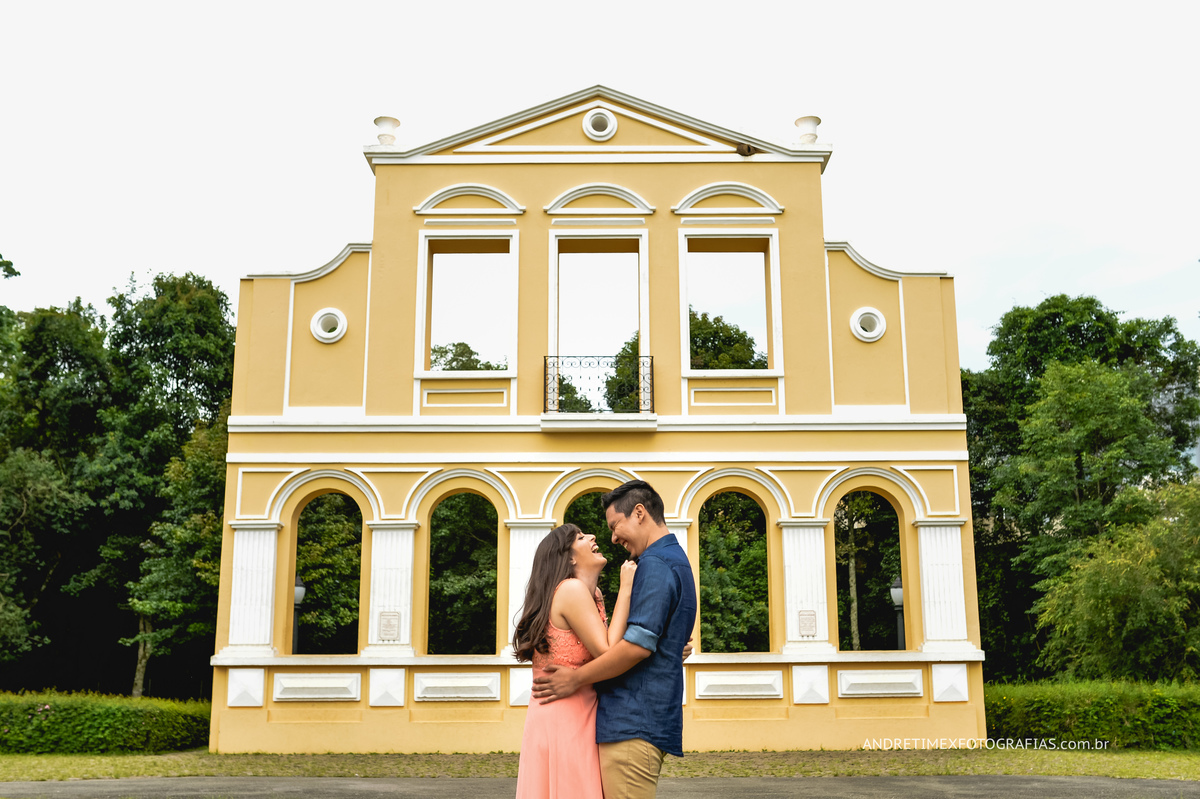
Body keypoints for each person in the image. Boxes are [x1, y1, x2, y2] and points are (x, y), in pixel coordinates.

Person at [532, 480, 697, 799]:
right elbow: (644, 640)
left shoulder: (654, 564)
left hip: (632, 723)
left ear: (639, 513)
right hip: (633, 722)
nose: (611, 537)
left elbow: (635, 646)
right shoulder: (671, 560)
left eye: (614, 525)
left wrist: (575, 679)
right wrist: (669, 648)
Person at [513, 522, 637, 799]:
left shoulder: (593, 594)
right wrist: (627, 588)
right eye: (581, 537)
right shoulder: (570, 589)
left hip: (582, 709)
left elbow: (612, 648)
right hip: (562, 714)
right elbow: (608, 650)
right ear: (568, 556)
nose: (593, 536)